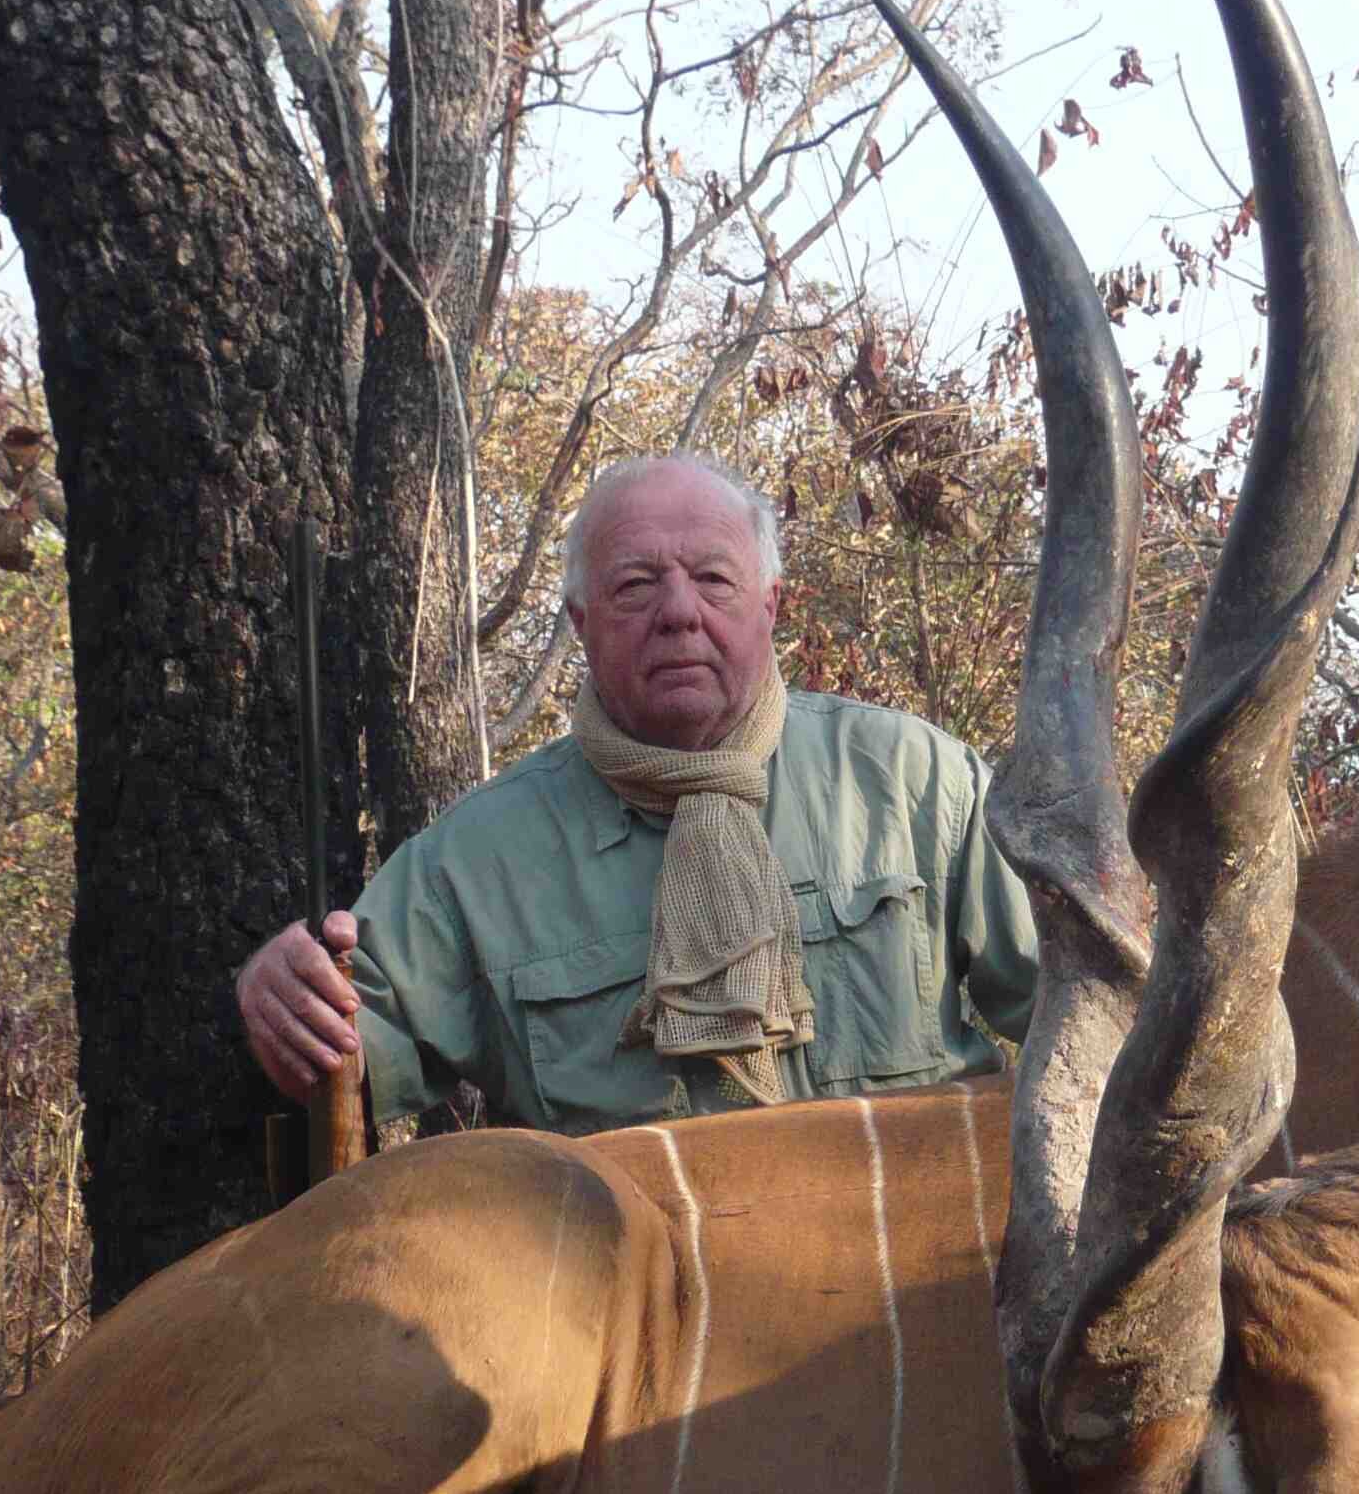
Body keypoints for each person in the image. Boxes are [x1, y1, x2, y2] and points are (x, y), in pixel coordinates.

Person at [239, 453, 1039, 1135]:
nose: (679, 614)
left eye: (714, 579)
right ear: (581, 622)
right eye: (636, 586)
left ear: (772, 608)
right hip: (632, 1301)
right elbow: (344, 1057)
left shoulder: (918, 782)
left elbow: (1085, 1017)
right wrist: (281, 1000)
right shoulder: (475, 863)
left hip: (910, 1279)